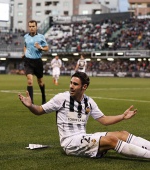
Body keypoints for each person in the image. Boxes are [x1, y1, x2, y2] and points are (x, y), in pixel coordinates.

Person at [18, 72, 150, 159]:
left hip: (82, 137)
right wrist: (30, 106)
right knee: (112, 140)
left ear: (84, 87)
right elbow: (39, 110)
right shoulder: (61, 98)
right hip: (70, 142)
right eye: (71, 83)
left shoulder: (89, 101)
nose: (71, 86)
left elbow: (103, 120)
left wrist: (122, 116)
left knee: (123, 134)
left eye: (75, 84)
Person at [23, 20, 49, 104]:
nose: (31, 28)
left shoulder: (41, 37)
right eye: (30, 26)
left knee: (40, 81)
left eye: (33, 26)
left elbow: (46, 48)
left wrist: (40, 48)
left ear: (36, 27)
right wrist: (25, 53)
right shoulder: (26, 36)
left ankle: (43, 97)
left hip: (37, 62)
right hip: (28, 61)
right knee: (30, 80)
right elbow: (25, 46)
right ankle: (30, 102)